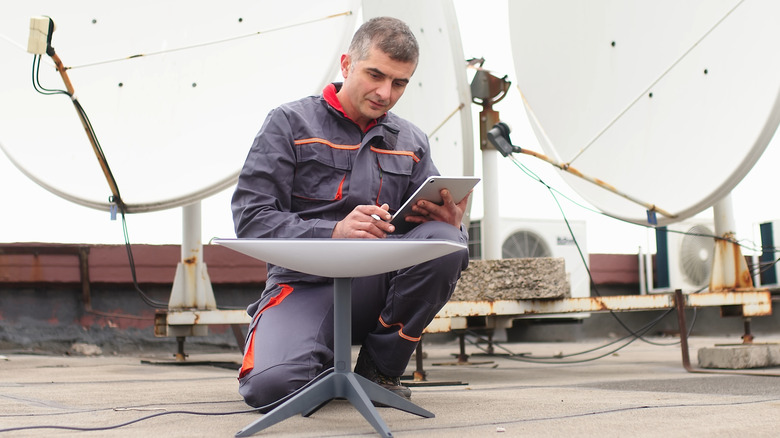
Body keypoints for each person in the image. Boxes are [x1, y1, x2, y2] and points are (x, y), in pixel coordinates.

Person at [231, 16, 470, 411]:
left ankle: (380, 369)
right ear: (346, 64)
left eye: (399, 83)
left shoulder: (411, 141)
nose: (385, 93)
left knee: (447, 244)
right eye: (374, 75)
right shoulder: (288, 123)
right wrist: (334, 231)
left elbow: (427, 232)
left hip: (378, 287)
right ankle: (310, 352)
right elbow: (252, 219)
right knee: (272, 389)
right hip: (304, 285)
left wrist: (447, 225)